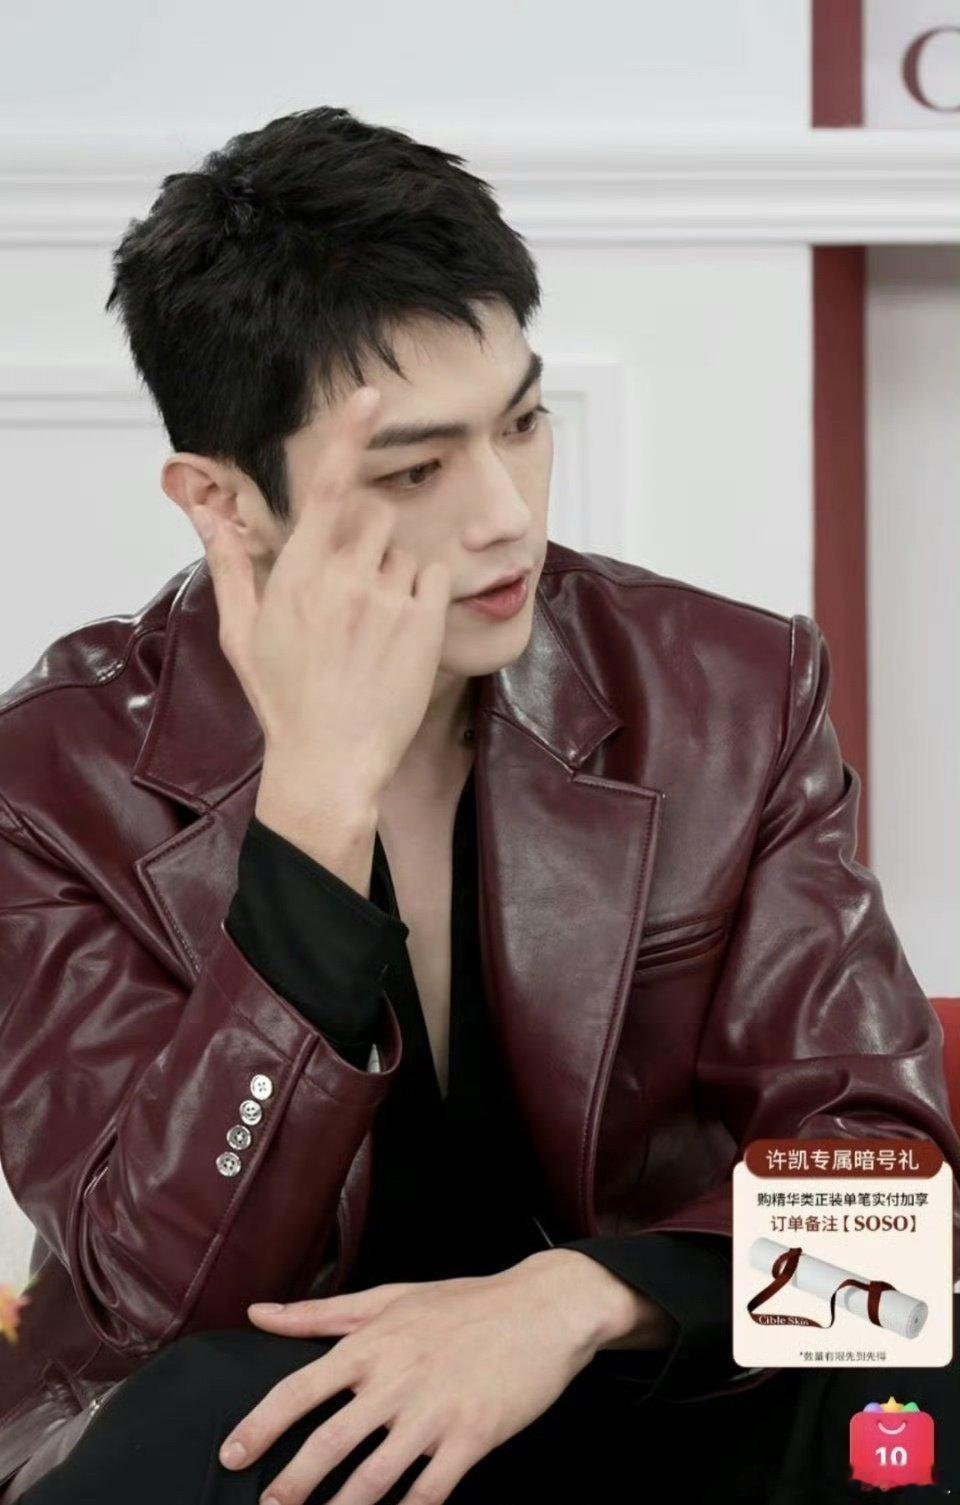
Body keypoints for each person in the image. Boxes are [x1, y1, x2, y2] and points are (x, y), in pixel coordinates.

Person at [1, 105, 957, 1504]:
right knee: (204, 1407)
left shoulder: (728, 693)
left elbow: (888, 1211)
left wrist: (572, 1300)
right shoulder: (54, 776)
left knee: (914, 1357)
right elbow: (159, 1298)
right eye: (414, 469)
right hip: (274, 1434)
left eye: (522, 422)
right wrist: (314, 808)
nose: (505, 512)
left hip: (643, 1399)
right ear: (224, 501)